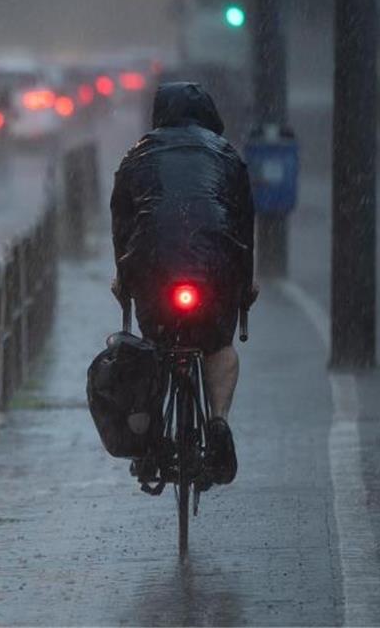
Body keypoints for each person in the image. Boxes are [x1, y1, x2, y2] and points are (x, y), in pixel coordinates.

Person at [110, 82, 258, 486]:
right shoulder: (227, 156)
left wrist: (124, 278)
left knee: (154, 349)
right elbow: (244, 224)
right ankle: (218, 422)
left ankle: (152, 439)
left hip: (153, 268)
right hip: (215, 268)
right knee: (217, 345)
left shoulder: (137, 155)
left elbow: (123, 224)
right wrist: (245, 284)